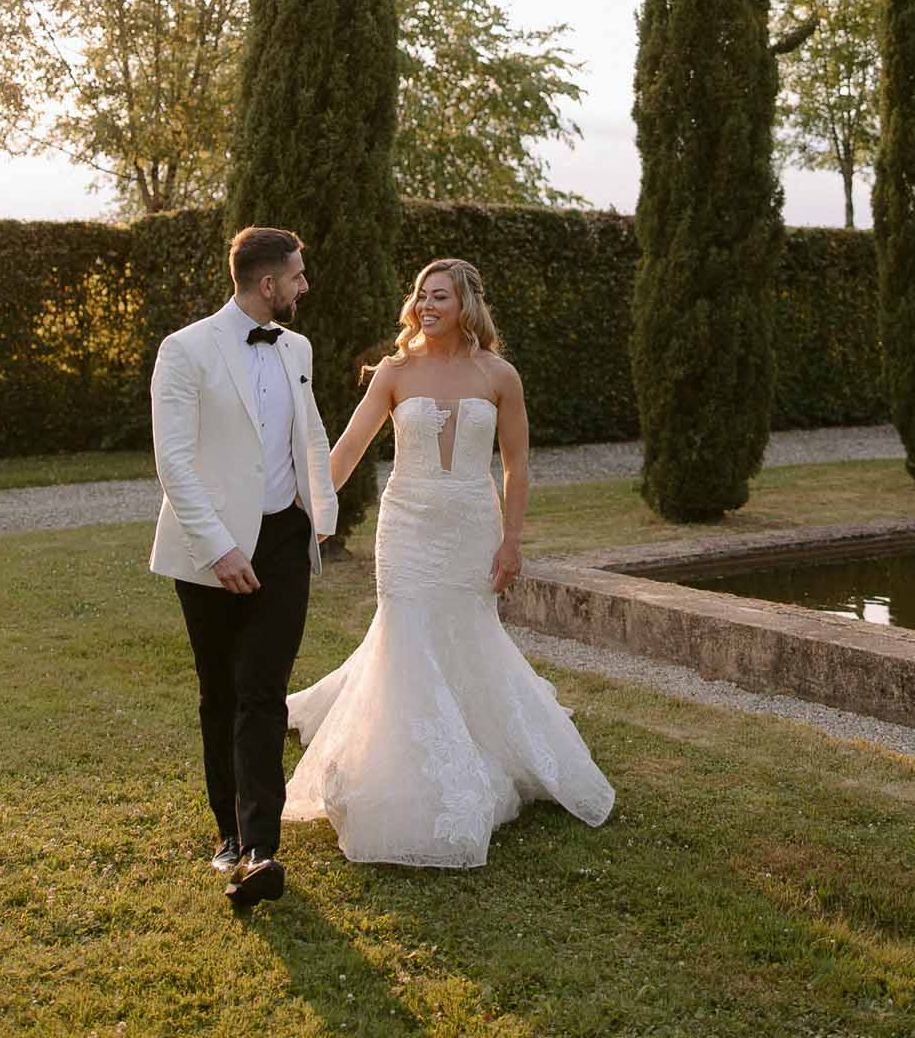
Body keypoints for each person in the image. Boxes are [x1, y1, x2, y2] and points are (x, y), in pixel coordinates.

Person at [283, 257, 614, 868]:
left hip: (470, 526)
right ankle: (397, 776)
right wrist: (299, 508)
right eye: (420, 295)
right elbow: (348, 451)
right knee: (405, 634)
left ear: (466, 304)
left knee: (467, 636)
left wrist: (511, 540)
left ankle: (485, 748)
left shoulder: (500, 375)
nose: (426, 304)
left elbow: (516, 465)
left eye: (439, 296)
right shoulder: (393, 372)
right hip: (405, 526)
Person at [149, 225, 337, 909]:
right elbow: (173, 460)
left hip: (284, 541)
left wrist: (321, 514)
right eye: (297, 275)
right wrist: (219, 547)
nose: (303, 287)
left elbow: (307, 431)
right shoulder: (186, 349)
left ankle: (261, 849)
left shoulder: (298, 348)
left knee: (263, 692)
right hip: (211, 550)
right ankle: (227, 832)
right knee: (220, 693)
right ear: (267, 284)